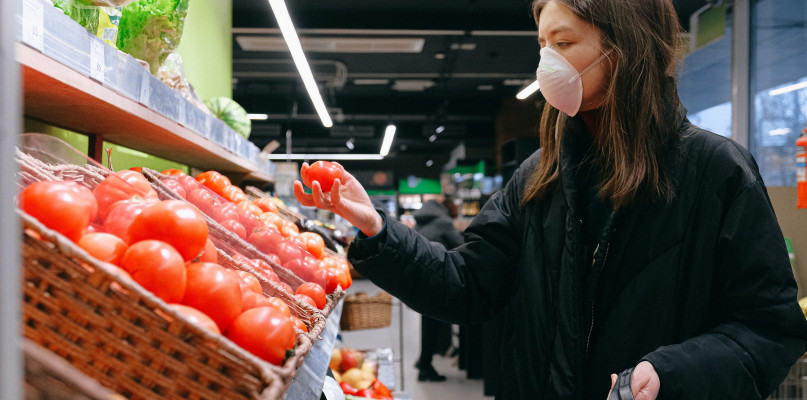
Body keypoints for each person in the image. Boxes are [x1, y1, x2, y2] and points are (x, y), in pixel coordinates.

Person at [294, 0, 807, 398]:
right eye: (542, 44)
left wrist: (670, 372)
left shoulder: (716, 174)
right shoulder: (537, 178)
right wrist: (377, 231)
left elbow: (769, 329)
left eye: (563, 42)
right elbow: (467, 285)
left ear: (623, 47)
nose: (546, 63)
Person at [411, 193, 464, 382]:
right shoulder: (443, 222)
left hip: (420, 280)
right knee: (433, 324)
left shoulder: (421, 222)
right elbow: (461, 247)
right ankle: (425, 365)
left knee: (429, 323)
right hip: (437, 280)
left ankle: (424, 361)